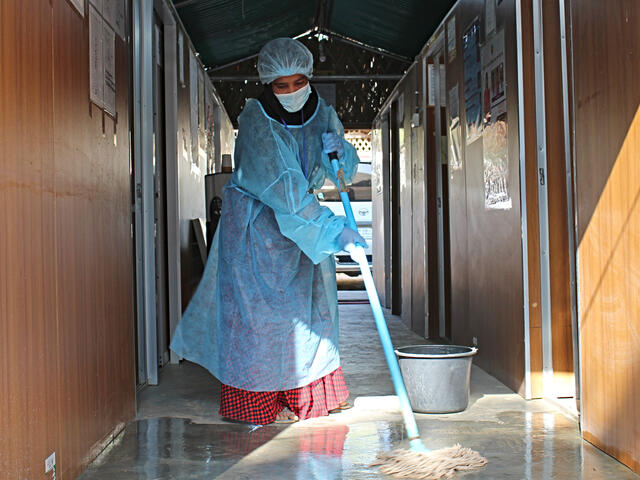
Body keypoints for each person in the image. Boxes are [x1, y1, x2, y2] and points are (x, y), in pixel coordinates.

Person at [170, 37, 366, 424]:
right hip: (256, 235)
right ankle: (257, 401)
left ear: (309, 78)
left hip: (301, 234)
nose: (291, 91)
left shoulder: (322, 114)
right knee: (260, 322)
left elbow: (340, 173)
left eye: (298, 82)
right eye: (281, 85)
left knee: (309, 317)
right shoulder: (257, 123)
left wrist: (340, 152)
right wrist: (332, 231)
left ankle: (307, 396)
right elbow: (286, 189)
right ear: (267, 85)